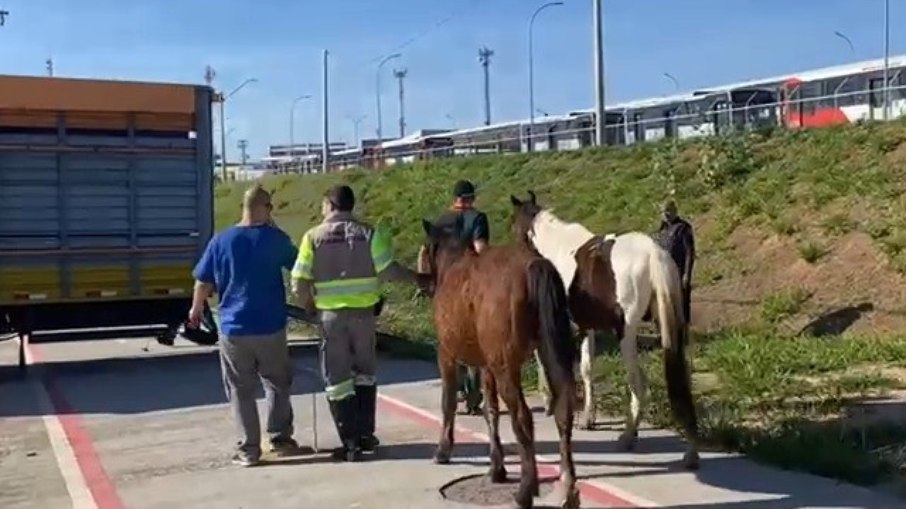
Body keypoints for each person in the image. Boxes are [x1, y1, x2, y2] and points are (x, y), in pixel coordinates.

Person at [291, 184, 429, 461]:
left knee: (338, 379)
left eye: (322, 205)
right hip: (364, 316)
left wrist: (308, 302)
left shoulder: (313, 237)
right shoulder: (369, 234)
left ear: (330, 204)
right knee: (365, 372)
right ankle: (366, 434)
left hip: (331, 319)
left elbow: (298, 281)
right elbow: (389, 270)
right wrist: (418, 278)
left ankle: (350, 442)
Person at [190, 183, 305, 468]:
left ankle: (248, 450)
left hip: (233, 327)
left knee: (240, 388)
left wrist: (195, 308)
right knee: (277, 382)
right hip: (271, 326)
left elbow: (202, 281)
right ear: (264, 208)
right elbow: (301, 269)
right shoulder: (276, 239)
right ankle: (280, 439)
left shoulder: (221, 240)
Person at [433, 179, 489, 415]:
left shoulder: (440, 222)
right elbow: (481, 250)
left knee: (449, 339)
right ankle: (474, 396)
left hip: (445, 288)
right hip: (470, 285)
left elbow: (426, 256)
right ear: (471, 198)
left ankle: (454, 388)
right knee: (474, 338)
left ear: (455, 198)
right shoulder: (477, 218)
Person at [656, 199, 696, 325]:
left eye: (668, 211)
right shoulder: (661, 231)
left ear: (675, 212)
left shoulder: (683, 228)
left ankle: (684, 334)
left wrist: (686, 275)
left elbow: (690, 253)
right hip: (663, 274)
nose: (666, 215)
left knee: (682, 306)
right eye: (663, 212)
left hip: (679, 272)